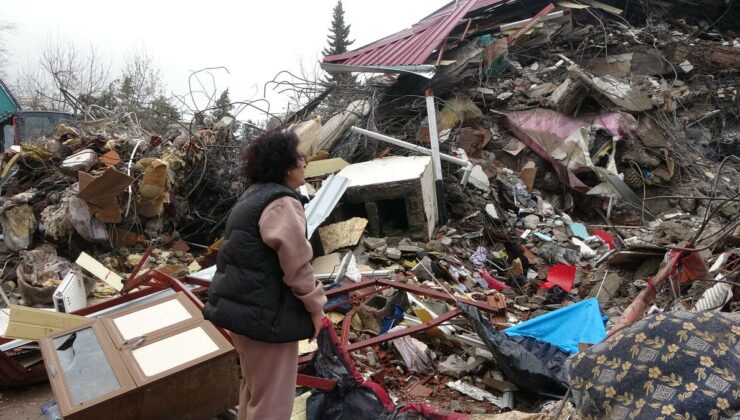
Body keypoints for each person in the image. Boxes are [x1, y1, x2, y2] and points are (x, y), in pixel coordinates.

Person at [203, 130, 326, 420]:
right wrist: (316, 306)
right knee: (272, 404)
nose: (305, 162)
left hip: (243, 317)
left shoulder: (253, 196)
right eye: (299, 156)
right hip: (266, 320)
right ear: (285, 164)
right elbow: (297, 266)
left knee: (254, 392)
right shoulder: (282, 202)